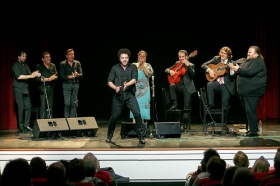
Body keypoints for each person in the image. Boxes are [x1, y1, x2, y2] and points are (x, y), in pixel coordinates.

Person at [106, 48, 145, 144]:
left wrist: (127, 84)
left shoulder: (133, 67)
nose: (124, 59)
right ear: (119, 58)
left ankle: (141, 137)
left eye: (126, 58)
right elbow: (109, 81)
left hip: (129, 94)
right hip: (118, 95)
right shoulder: (114, 68)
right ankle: (109, 136)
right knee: (114, 117)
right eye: (122, 58)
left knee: (137, 114)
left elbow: (134, 79)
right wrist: (115, 87)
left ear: (128, 58)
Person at [229, 46, 267, 137]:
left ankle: (253, 131)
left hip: (253, 92)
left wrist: (237, 69)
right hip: (245, 92)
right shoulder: (247, 61)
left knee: (250, 111)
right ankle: (253, 128)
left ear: (256, 54)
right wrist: (233, 69)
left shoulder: (257, 61)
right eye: (248, 52)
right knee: (248, 111)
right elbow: (239, 73)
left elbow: (248, 72)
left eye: (250, 52)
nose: (248, 53)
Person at [12, 51, 41, 132]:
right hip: (18, 88)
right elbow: (19, 77)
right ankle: (21, 126)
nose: (24, 58)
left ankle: (26, 125)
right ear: (18, 57)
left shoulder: (26, 66)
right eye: (23, 56)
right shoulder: (15, 65)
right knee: (21, 108)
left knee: (28, 107)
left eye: (25, 56)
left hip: (25, 89)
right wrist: (31, 76)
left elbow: (30, 75)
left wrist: (35, 74)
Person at [201, 46, 236, 111]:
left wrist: (231, 69)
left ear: (228, 55)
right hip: (216, 83)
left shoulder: (231, 62)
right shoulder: (216, 59)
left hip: (226, 85)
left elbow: (233, 77)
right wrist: (209, 70)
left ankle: (224, 118)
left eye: (224, 53)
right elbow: (203, 65)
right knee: (210, 85)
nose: (222, 54)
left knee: (225, 106)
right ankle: (211, 105)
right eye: (221, 53)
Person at [165, 50, 196, 121]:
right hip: (179, 86)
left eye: (183, 57)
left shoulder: (191, 65)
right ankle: (175, 105)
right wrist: (170, 71)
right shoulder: (177, 63)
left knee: (187, 105)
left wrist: (188, 65)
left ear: (186, 57)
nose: (181, 58)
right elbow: (166, 69)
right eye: (180, 57)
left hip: (188, 87)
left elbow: (193, 74)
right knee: (172, 86)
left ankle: (186, 122)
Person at [129, 50, 153, 123]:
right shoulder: (134, 65)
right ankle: (134, 125)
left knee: (143, 106)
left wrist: (143, 66)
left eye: (144, 56)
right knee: (135, 105)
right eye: (141, 56)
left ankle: (141, 126)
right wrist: (139, 65)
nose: (142, 57)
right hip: (136, 89)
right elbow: (131, 74)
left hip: (145, 90)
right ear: (138, 57)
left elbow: (148, 74)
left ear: (146, 57)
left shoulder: (148, 65)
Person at [60, 49, 83, 118]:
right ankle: (66, 119)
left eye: (73, 54)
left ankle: (72, 119)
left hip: (75, 84)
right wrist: (71, 76)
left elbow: (81, 74)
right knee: (67, 103)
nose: (72, 56)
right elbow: (61, 76)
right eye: (70, 54)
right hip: (66, 85)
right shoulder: (62, 64)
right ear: (66, 56)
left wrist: (77, 75)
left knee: (74, 103)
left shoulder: (77, 63)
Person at [36, 52, 58, 119]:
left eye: (49, 56)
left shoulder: (53, 66)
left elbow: (56, 75)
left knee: (50, 106)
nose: (49, 58)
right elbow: (37, 79)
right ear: (43, 59)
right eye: (47, 57)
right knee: (43, 105)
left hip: (51, 87)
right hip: (43, 88)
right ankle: (42, 122)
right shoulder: (39, 66)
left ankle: (50, 120)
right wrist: (49, 79)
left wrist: (55, 77)